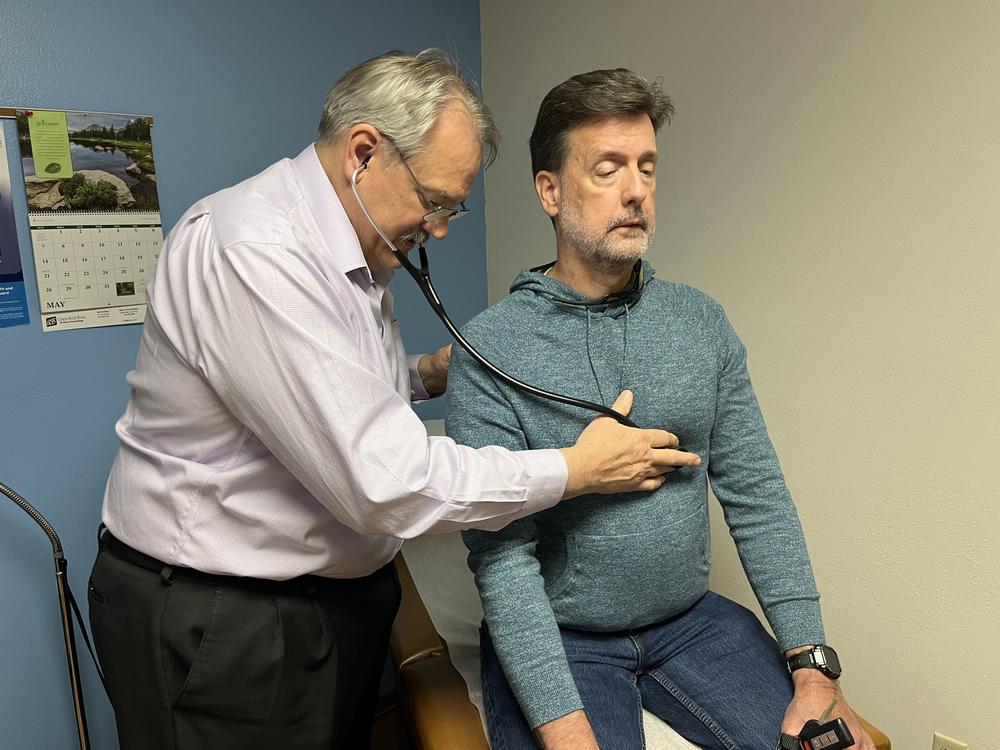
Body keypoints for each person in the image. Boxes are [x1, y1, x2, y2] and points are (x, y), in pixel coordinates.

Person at [87, 51, 697, 750]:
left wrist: (421, 374)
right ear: (364, 153)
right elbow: (387, 482)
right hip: (225, 618)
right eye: (435, 201)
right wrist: (574, 470)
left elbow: (312, 390)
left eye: (452, 209)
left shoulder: (351, 248)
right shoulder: (256, 251)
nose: (439, 229)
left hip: (329, 605)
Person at [447, 68, 875, 750]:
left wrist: (811, 662)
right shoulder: (491, 349)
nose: (636, 190)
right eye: (608, 169)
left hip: (692, 622)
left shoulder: (700, 324)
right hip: (564, 638)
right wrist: (564, 727)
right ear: (550, 191)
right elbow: (503, 559)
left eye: (647, 167)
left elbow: (757, 495)